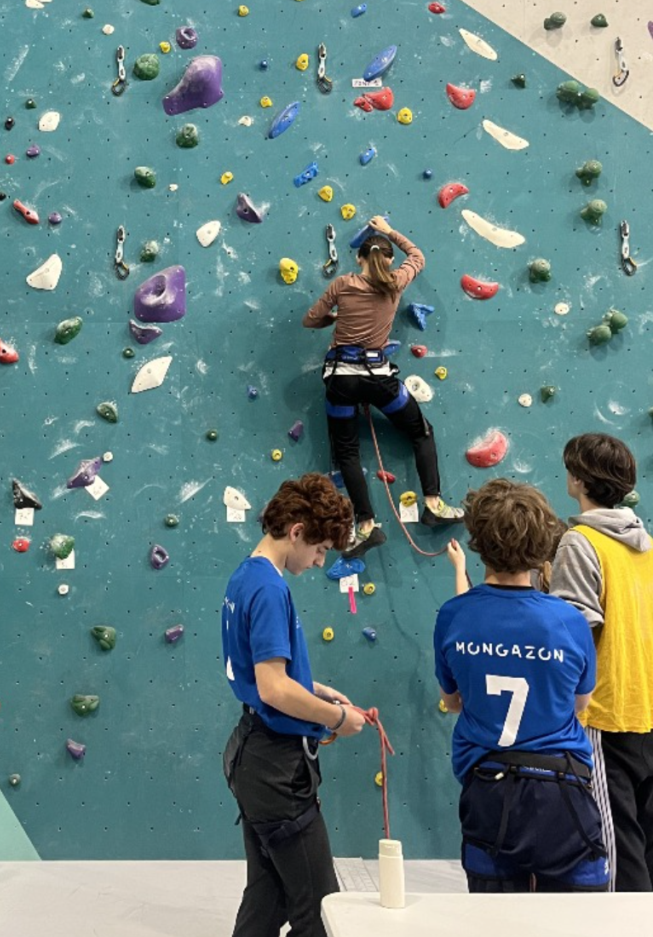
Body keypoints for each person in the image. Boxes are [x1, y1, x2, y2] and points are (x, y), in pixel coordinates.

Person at [438, 479, 608, 893]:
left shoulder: (454, 615)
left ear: (479, 542)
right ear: (541, 545)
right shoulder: (568, 621)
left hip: (489, 789)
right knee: (576, 917)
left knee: (494, 916)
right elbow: (580, 702)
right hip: (562, 789)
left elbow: (453, 700)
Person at [221, 473, 366, 937]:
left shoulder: (246, 575)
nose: (320, 561)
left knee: (269, 897)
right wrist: (339, 719)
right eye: (319, 549)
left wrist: (314, 689)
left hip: (253, 756)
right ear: (297, 531)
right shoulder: (270, 589)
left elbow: (265, 671)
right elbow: (274, 690)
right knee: (318, 909)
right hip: (276, 769)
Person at [303, 215, 463, 559]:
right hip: (379, 379)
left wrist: (336, 318)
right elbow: (417, 256)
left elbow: (310, 319)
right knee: (420, 432)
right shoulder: (396, 282)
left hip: (341, 380)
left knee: (347, 452)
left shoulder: (343, 284)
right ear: (389, 261)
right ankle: (433, 504)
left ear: (359, 258)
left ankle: (366, 526)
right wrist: (389, 230)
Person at [550, 433, 653, 891]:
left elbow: (575, 636)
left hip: (605, 713)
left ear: (577, 479)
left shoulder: (579, 542)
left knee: (616, 852)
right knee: (644, 846)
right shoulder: (647, 546)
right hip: (646, 708)